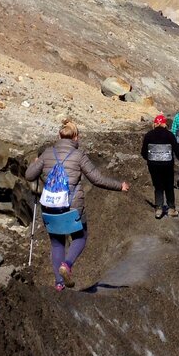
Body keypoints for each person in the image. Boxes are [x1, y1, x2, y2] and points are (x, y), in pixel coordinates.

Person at [26, 118, 128, 290]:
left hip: (50, 206)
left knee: (57, 243)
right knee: (80, 237)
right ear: (76, 138)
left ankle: (59, 283)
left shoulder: (47, 153)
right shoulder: (79, 156)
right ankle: (67, 265)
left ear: (59, 135)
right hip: (72, 206)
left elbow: (29, 175)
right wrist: (120, 185)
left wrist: (36, 163)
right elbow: (97, 179)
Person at [141, 114, 177, 219]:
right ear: (164, 124)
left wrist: (150, 160)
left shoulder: (148, 135)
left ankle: (159, 209)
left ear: (155, 124)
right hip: (167, 165)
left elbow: (144, 152)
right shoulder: (170, 135)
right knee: (169, 185)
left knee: (158, 186)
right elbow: (177, 150)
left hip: (153, 165)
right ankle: (171, 209)